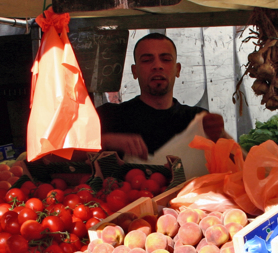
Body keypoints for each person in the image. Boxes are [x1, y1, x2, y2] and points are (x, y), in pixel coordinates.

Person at [97, 33, 226, 160]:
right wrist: (105, 141)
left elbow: (233, 167)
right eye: (147, 60)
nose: (157, 66)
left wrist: (220, 136)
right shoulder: (109, 116)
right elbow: (77, 155)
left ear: (178, 69)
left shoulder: (197, 120)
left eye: (166, 59)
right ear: (134, 71)